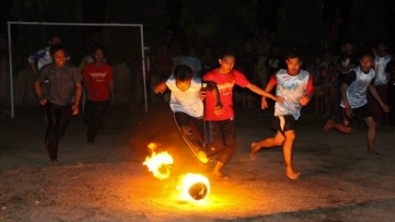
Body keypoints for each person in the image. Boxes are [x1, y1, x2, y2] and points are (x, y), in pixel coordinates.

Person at [203, 49, 282, 179]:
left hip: (228, 116)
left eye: (232, 63)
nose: (230, 66)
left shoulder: (235, 75)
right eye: (227, 63)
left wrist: (269, 96)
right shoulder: (209, 76)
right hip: (212, 117)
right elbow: (198, 93)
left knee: (231, 146)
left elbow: (251, 87)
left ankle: (216, 171)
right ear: (220, 61)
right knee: (217, 145)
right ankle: (203, 152)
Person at [249, 50, 314, 180]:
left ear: (300, 63)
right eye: (291, 63)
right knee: (291, 136)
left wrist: (307, 97)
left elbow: (310, 91)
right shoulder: (280, 74)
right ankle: (289, 169)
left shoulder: (306, 76)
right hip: (282, 110)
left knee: (278, 141)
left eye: (296, 64)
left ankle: (257, 145)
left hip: (294, 112)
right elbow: (270, 84)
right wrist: (264, 97)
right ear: (286, 63)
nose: (293, 66)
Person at [323, 51, 389, 155]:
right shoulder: (354, 73)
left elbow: (371, 87)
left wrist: (381, 103)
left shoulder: (372, 73)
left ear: (372, 63)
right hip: (348, 102)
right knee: (348, 130)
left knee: (372, 124)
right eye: (364, 61)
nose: (366, 64)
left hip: (362, 102)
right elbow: (342, 89)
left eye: (369, 61)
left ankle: (371, 149)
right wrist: (348, 106)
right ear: (360, 62)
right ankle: (333, 123)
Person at [153, 65, 223, 163]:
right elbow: (156, 89)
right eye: (179, 84)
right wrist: (162, 85)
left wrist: (218, 102)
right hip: (179, 108)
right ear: (176, 79)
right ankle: (199, 151)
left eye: (186, 84)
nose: (183, 88)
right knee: (185, 128)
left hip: (196, 111)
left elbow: (213, 85)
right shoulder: (170, 81)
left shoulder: (197, 83)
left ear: (190, 79)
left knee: (202, 138)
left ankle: (204, 151)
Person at [34, 44, 82, 164]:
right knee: (53, 128)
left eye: (63, 56)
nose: (61, 59)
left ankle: (50, 138)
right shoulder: (47, 69)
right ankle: (53, 156)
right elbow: (36, 83)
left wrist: (76, 105)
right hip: (53, 103)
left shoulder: (72, 69)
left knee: (59, 131)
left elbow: (79, 87)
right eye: (57, 57)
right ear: (52, 57)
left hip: (68, 104)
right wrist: (41, 97)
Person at [83, 45, 114, 144]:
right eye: (97, 54)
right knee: (88, 118)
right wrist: (88, 92)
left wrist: (112, 95)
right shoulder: (88, 67)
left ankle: (90, 138)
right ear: (93, 55)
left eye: (101, 54)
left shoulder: (108, 68)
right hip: (91, 97)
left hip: (103, 97)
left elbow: (110, 82)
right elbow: (86, 81)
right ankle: (99, 126)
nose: (99, 56)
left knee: (96, 118)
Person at [371, 42, 393, 125]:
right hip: (376, 83)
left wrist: (388, 84)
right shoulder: (375, 58)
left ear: (386, 47)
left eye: (382, 46)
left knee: (386, 102)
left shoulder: (389, 58)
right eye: (379, 46)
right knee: (376, 103)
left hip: (385, 83)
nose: (380, 48)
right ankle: (377, 120)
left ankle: (386, 121)